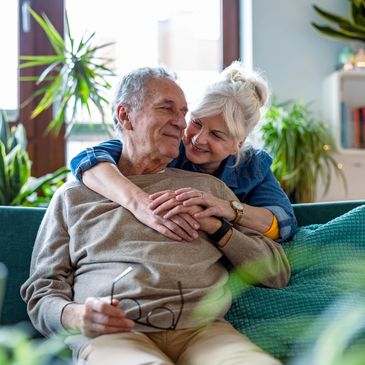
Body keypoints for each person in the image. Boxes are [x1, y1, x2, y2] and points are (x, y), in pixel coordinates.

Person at [21, 67, 290, 365]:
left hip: (204, 332)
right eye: (167, 109)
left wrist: (218, 227)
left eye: (184, 112)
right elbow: (42, 291)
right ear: (125, 116)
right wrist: (77, 316)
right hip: (115, 335)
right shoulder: (74, 195)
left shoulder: (209, 190)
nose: (182, 124)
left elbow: (277, 269)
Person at [70, 62, 297, 244]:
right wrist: (139, 203)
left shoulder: (252, 166)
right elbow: (87, 160)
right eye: (196, 123)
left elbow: (284, 223)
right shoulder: (168, 146)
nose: (199, 139)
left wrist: (228, 208)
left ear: (238, 143)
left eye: (217, 135)